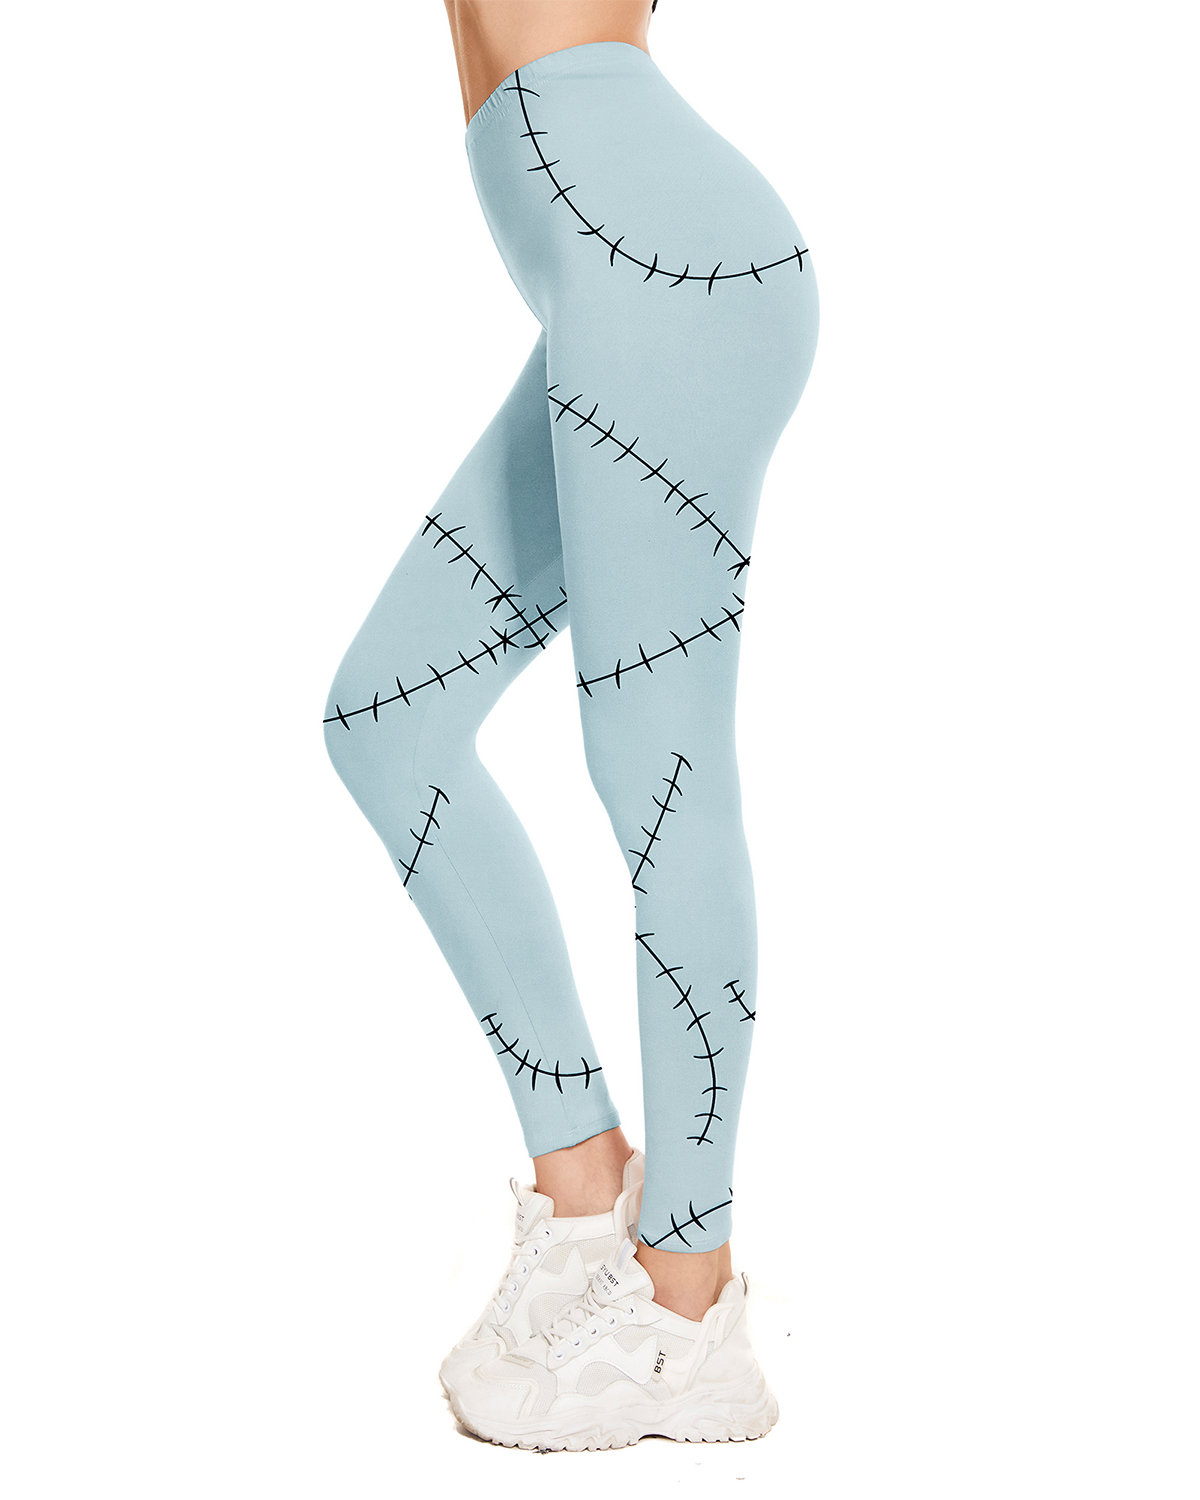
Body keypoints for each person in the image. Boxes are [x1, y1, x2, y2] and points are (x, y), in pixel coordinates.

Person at [324, 0, 818, 1449]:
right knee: (386, 716)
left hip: (659, 252)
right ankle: (587, 1184)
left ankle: (687, 1301)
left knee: (656, 764)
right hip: (622, 259)